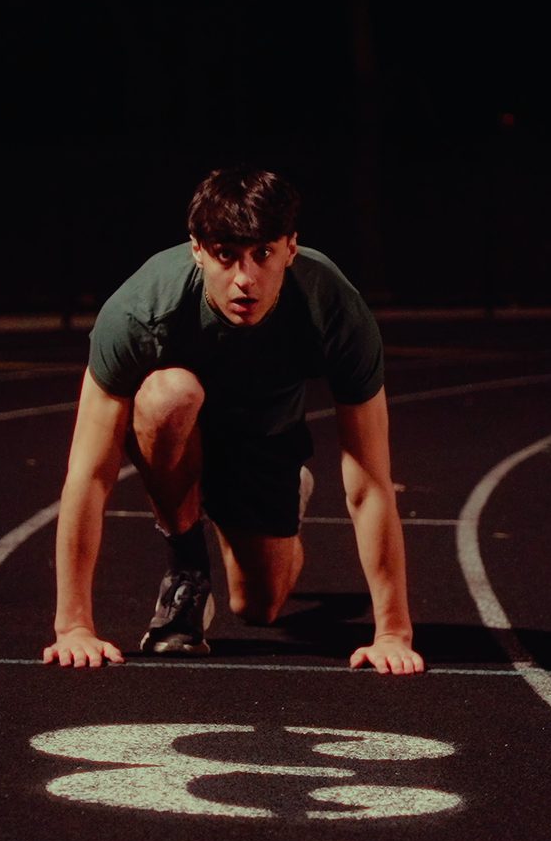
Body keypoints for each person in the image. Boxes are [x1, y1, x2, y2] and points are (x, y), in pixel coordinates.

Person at [40, 166, 424, 675]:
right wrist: (74, 627)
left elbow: (370, 482)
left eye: (262, 254)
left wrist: (392, 633)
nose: (245, 279)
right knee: (168, 395)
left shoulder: (332, 307)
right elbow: (88, 474)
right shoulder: (139, 311)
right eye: (226, 256)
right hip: (178, 428)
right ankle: (188, 568)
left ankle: (285, 496)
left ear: (291, 248)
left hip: (265, 435)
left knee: (258, 609)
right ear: (197, 249)